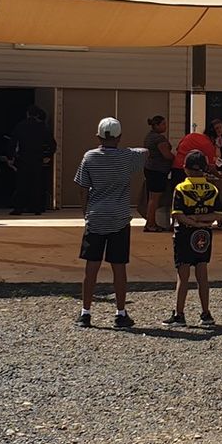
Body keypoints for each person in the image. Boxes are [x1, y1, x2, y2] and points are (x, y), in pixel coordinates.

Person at [74, 117, 150, 328]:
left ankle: (85, 312)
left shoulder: (89, 157)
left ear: (98, 136)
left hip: (96, 216)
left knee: (91, 267)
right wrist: (124, 149)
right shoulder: (127, 157)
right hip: (119, 217)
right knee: (119, 267)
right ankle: (120, 312)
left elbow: (82, 187)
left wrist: (85, 211)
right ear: (119, 137)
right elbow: (145, 152)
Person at [165, 150, 222, 327]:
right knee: (202, 273)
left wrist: (193, 221)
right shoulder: (212, 189)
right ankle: (206, 314)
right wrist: (203, 222)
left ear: (185, 168)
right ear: (205, 169)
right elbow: (218, 215)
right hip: (204, 236)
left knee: (183, 275)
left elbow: (177, 214)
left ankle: (179, 314)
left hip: (184, 233)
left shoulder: (181, 188)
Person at [11, 105, 57, 215]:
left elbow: (13, 142)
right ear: (37, 115)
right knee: (37, 184)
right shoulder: (42, 127)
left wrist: (11, 156)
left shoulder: (20, 126)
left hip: (23, 158)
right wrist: (48, 155)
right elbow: (52, 144)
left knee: (22, 184)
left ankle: (19, 208)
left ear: (27, 114)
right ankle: (37, 208)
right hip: (38, 159)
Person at [141, 115, 175, 231]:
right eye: (163, 124)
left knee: (151, 197)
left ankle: (150, 222)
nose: (165, 126)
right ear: (156, 125)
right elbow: (166, 154)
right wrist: (176, 158)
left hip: (150, 169)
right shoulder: (159, 139)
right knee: (154, 198)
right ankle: (151, 224)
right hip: (157, 171)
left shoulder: (149, 137)